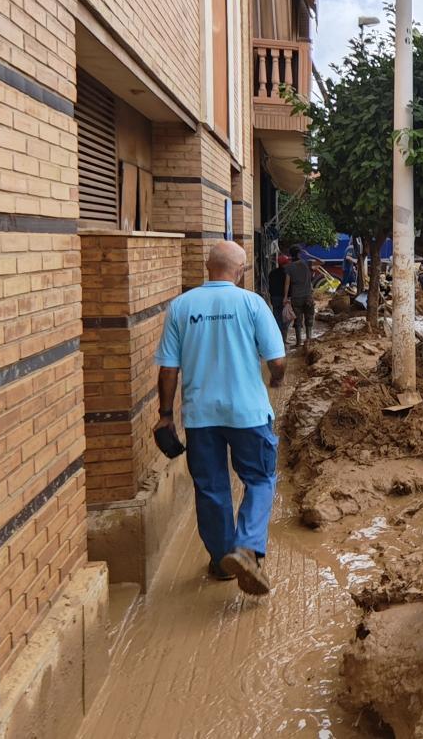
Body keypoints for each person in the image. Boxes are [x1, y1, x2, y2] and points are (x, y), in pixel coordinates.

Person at [155, 241, 287, 595]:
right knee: (259, 479)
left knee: (211, 487)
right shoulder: (252, 303)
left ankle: (221, 560)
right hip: (249, 413)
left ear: (206, 266)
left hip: (201, 417)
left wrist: (166, 415)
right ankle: (245, 548)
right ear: (241, 271)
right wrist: (276, 379)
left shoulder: (180, 307)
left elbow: (169, 370)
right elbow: (277, 360)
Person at [283, 249, 317, 344]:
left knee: (298, 320)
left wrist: (285, 297)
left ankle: (298, 342)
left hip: (296, 297)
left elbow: (287, 284)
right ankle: (308, 340)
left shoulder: (289, 267)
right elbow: (322, 262)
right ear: (300, 254)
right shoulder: (307, 263)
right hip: (308, 297)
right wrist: (310, 254)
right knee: (309, 318)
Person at [267, 252, 292, 332]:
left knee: (276, 318)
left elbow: (270, 286)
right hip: (284, 298)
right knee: (286, 318)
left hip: (274, 298)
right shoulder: (287, 273)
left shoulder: (272, 273)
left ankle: (277, 335)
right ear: (285, 263)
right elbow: (289, 286)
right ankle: (283, 338)